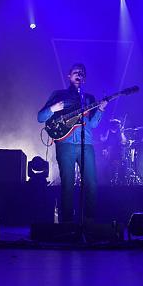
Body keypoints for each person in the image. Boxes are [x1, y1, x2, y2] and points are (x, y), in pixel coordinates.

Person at [38, 64, 107, 223]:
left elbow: (93, 124)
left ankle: (89, 222)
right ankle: (67, 223)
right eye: (76, 72)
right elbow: (40, 117)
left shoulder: (89, 98)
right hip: (65, 144)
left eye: (82, 73)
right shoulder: (58, 95)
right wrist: (53, 108)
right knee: (67, 185)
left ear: (85, 78)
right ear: (69, 76)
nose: (79, 74)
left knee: (91, 184)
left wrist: (101, 110)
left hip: (86, 144)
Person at [100, 119, 128, 185]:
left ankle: (119, 181)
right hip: (109, 152)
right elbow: (103, 140)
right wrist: (104, 149)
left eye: (118, 125)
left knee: (120, 166)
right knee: (108, 167)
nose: (118, 126)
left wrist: (122, 133)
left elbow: (124, 141)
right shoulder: (108, 131)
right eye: (117, 125)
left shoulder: (119, 132)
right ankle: (108, 181)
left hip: (118, 152)